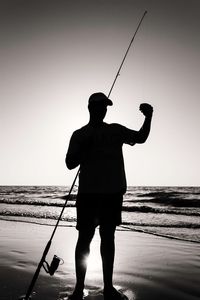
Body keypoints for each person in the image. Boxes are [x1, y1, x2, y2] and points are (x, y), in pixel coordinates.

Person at [65, 92, 153, 300]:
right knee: (84, 240)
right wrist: (84, 150)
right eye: (100, 106)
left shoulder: (115, 130)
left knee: (108, 239)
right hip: (88, 195)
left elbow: (140, 138)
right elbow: (69, 163)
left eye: (105, 106)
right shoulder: (80, 135)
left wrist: (148, 117)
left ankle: (108, 287)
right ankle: (78, 289)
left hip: (112, 194)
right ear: (90, 108)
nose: (103, 110)